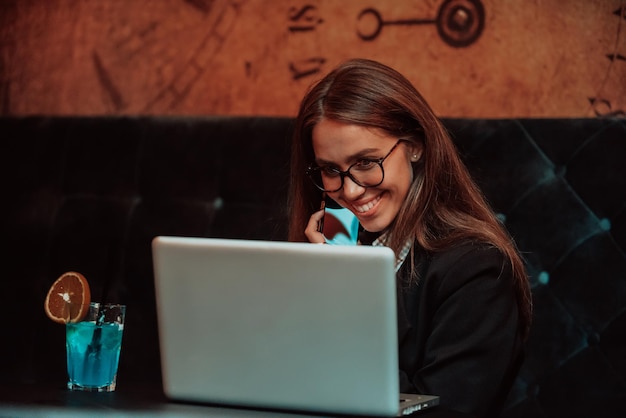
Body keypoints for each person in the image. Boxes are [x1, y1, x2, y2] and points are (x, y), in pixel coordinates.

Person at [287, 58, 532, 418]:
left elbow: (435, 411)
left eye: (367, 162)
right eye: (330, 170)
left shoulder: (478, 270)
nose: (351, 191)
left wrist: (345, 294)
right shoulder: (341, 242)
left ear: (415, 146)